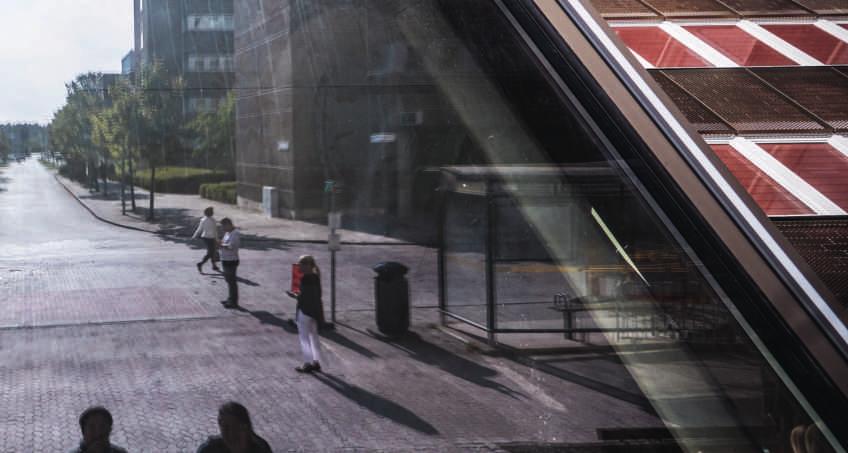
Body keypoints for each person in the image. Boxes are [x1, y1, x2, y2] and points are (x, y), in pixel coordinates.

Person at [286, 255, 323, 373]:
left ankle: (307, 363)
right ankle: (316, 362)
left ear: (307, 266)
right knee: (314, 336)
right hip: (315, 311)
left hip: (305, 311)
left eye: (301, 265)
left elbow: (304, 296)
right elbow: (317, 294)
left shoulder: (305, 279)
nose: (299, 267)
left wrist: (294, 295)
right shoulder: (316, 277)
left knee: (304, 338)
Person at [196, 401, 272, 453]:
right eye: (226, 428)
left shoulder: (261, 449)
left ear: (246, 428)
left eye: (236, 428)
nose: (231, 434)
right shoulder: (209, 450)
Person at [218, 218, 241, 308]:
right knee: (229, 281)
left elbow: (231, 246)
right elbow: (224, 243)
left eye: (223, 226)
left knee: (232, 282)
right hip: (225, 259)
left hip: (231, 260)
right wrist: (221, 243)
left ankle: (233, 302)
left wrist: (221, 245)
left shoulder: (235, 233)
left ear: (229, 224)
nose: (223, 228)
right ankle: (230, 298)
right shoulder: (227, 233)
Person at [193, 207, 220, 273]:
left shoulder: (203, 220)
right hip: (211, 238)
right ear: (211, 213)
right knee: (211, 253)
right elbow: (215, 231)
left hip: (205, 237)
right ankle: (200, 264)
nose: (212, 213)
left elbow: (199, 229)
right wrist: (217, 239)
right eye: (212, 211)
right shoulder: (213, 220)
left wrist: (195, 235)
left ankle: (214, 265)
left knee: (211, 252)